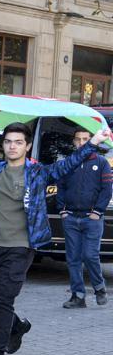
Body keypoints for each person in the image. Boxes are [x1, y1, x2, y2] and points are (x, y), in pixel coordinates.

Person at [0, 99, 111, 355]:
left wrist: (93, 142)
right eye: (8, 141)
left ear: (27, 146)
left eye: (18, 142)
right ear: (4, 144)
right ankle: (17, 326)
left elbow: (68, 164)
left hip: (20, 248)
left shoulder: (38, 173)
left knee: (3, 299)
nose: (12, 146)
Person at [57, 127, 112, 308]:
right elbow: (61, 187)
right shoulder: (69, 162)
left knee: (90, 256)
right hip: (71, 218)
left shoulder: (102, 163)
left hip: (92, 219)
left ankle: (99, 287)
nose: (81, 143)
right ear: (74, 142)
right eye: (78, 139)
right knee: (73, 258)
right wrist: (62, 210)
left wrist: (98, 211)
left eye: (85, 139)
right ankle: (78, 296)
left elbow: (107, 190)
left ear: (92, 140)